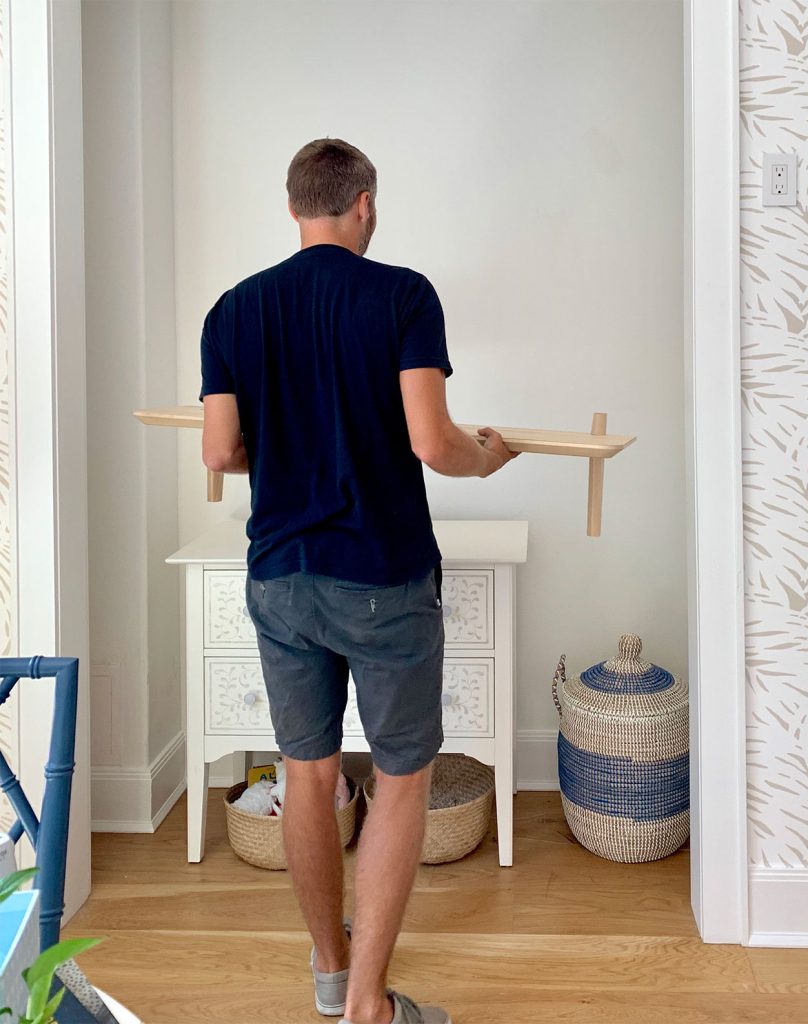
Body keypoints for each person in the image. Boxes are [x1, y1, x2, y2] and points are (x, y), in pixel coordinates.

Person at [199, 138, 516, 1024]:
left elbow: (220, 452)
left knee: (308, 775)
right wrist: (489, 458)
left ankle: (333, 974)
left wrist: (296, 450)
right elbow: (434, 442)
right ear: (364, 203)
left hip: (281, 578)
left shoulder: (233, 311)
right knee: (402, 779)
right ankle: (370, 1007)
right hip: (380, 575)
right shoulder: (403, 295)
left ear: (295, 206)